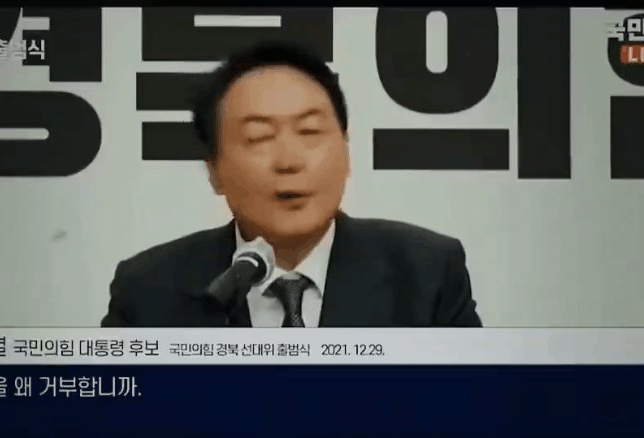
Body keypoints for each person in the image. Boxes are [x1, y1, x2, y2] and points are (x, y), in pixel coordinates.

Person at [101, 42, 482, 328]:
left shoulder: (427, 273)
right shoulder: (149, 290)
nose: (289, 161)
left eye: (310, 131)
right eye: (258, 137)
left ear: (346, 152)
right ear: (214, 171)